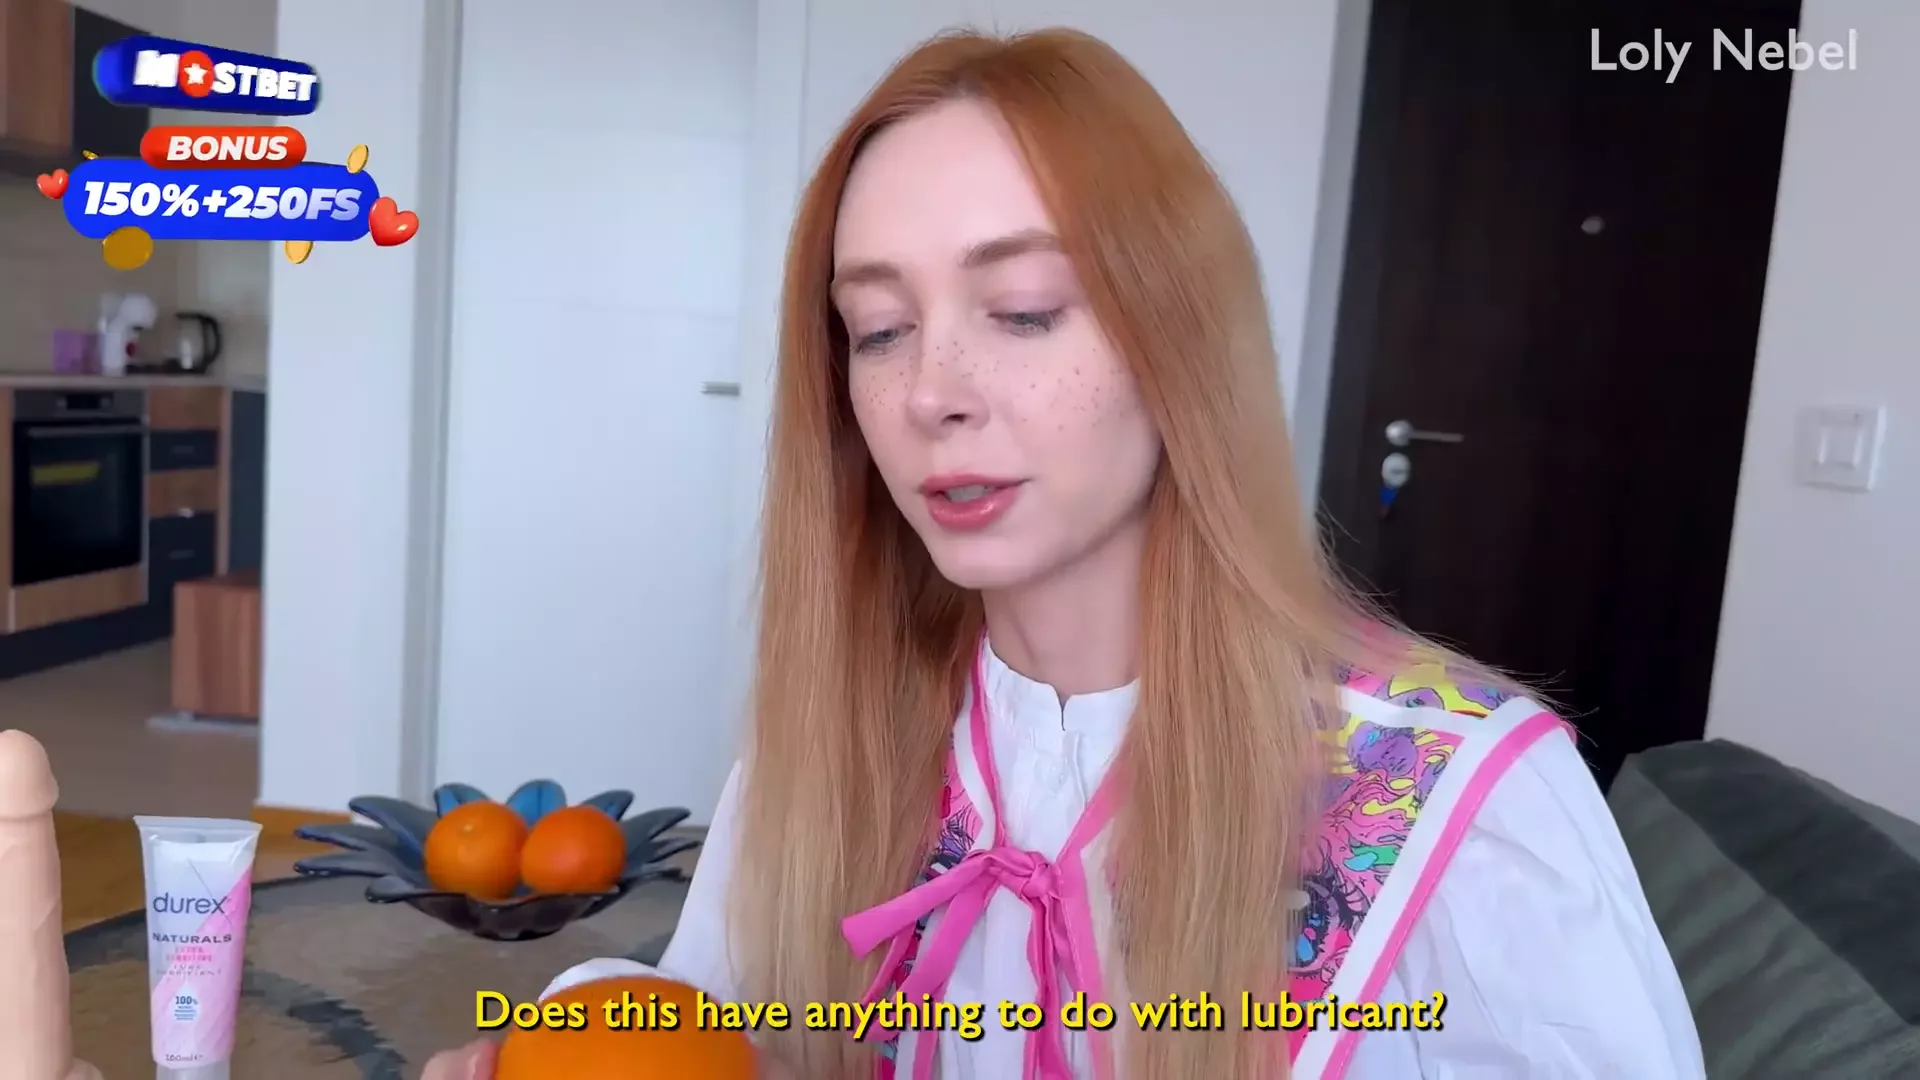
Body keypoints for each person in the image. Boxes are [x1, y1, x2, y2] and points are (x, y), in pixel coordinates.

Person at [425, 27, 1704, 1080]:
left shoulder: (1462, 809)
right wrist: (575, 1031)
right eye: (878, 328)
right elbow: (725, 1034)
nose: (933, 392)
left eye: (1024, 310)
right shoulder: (832, 747)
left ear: (1178, 339)